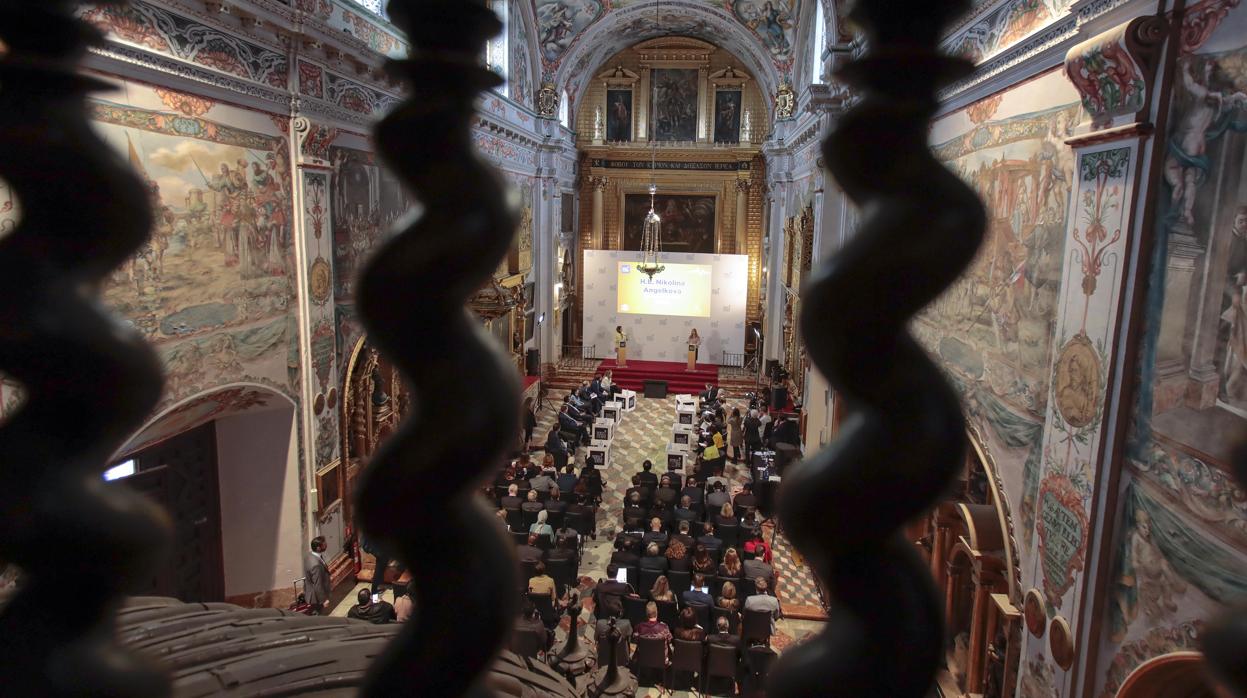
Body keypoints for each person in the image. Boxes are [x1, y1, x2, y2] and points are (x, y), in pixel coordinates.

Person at [303, 536, 332, 615]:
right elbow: (318, 584)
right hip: (316, 598)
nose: (326, 545)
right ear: (318, 548)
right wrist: (323, 600)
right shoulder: (316, 565)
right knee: (317, 616)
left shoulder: (309, 556)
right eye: (324, 544)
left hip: (310, 593)